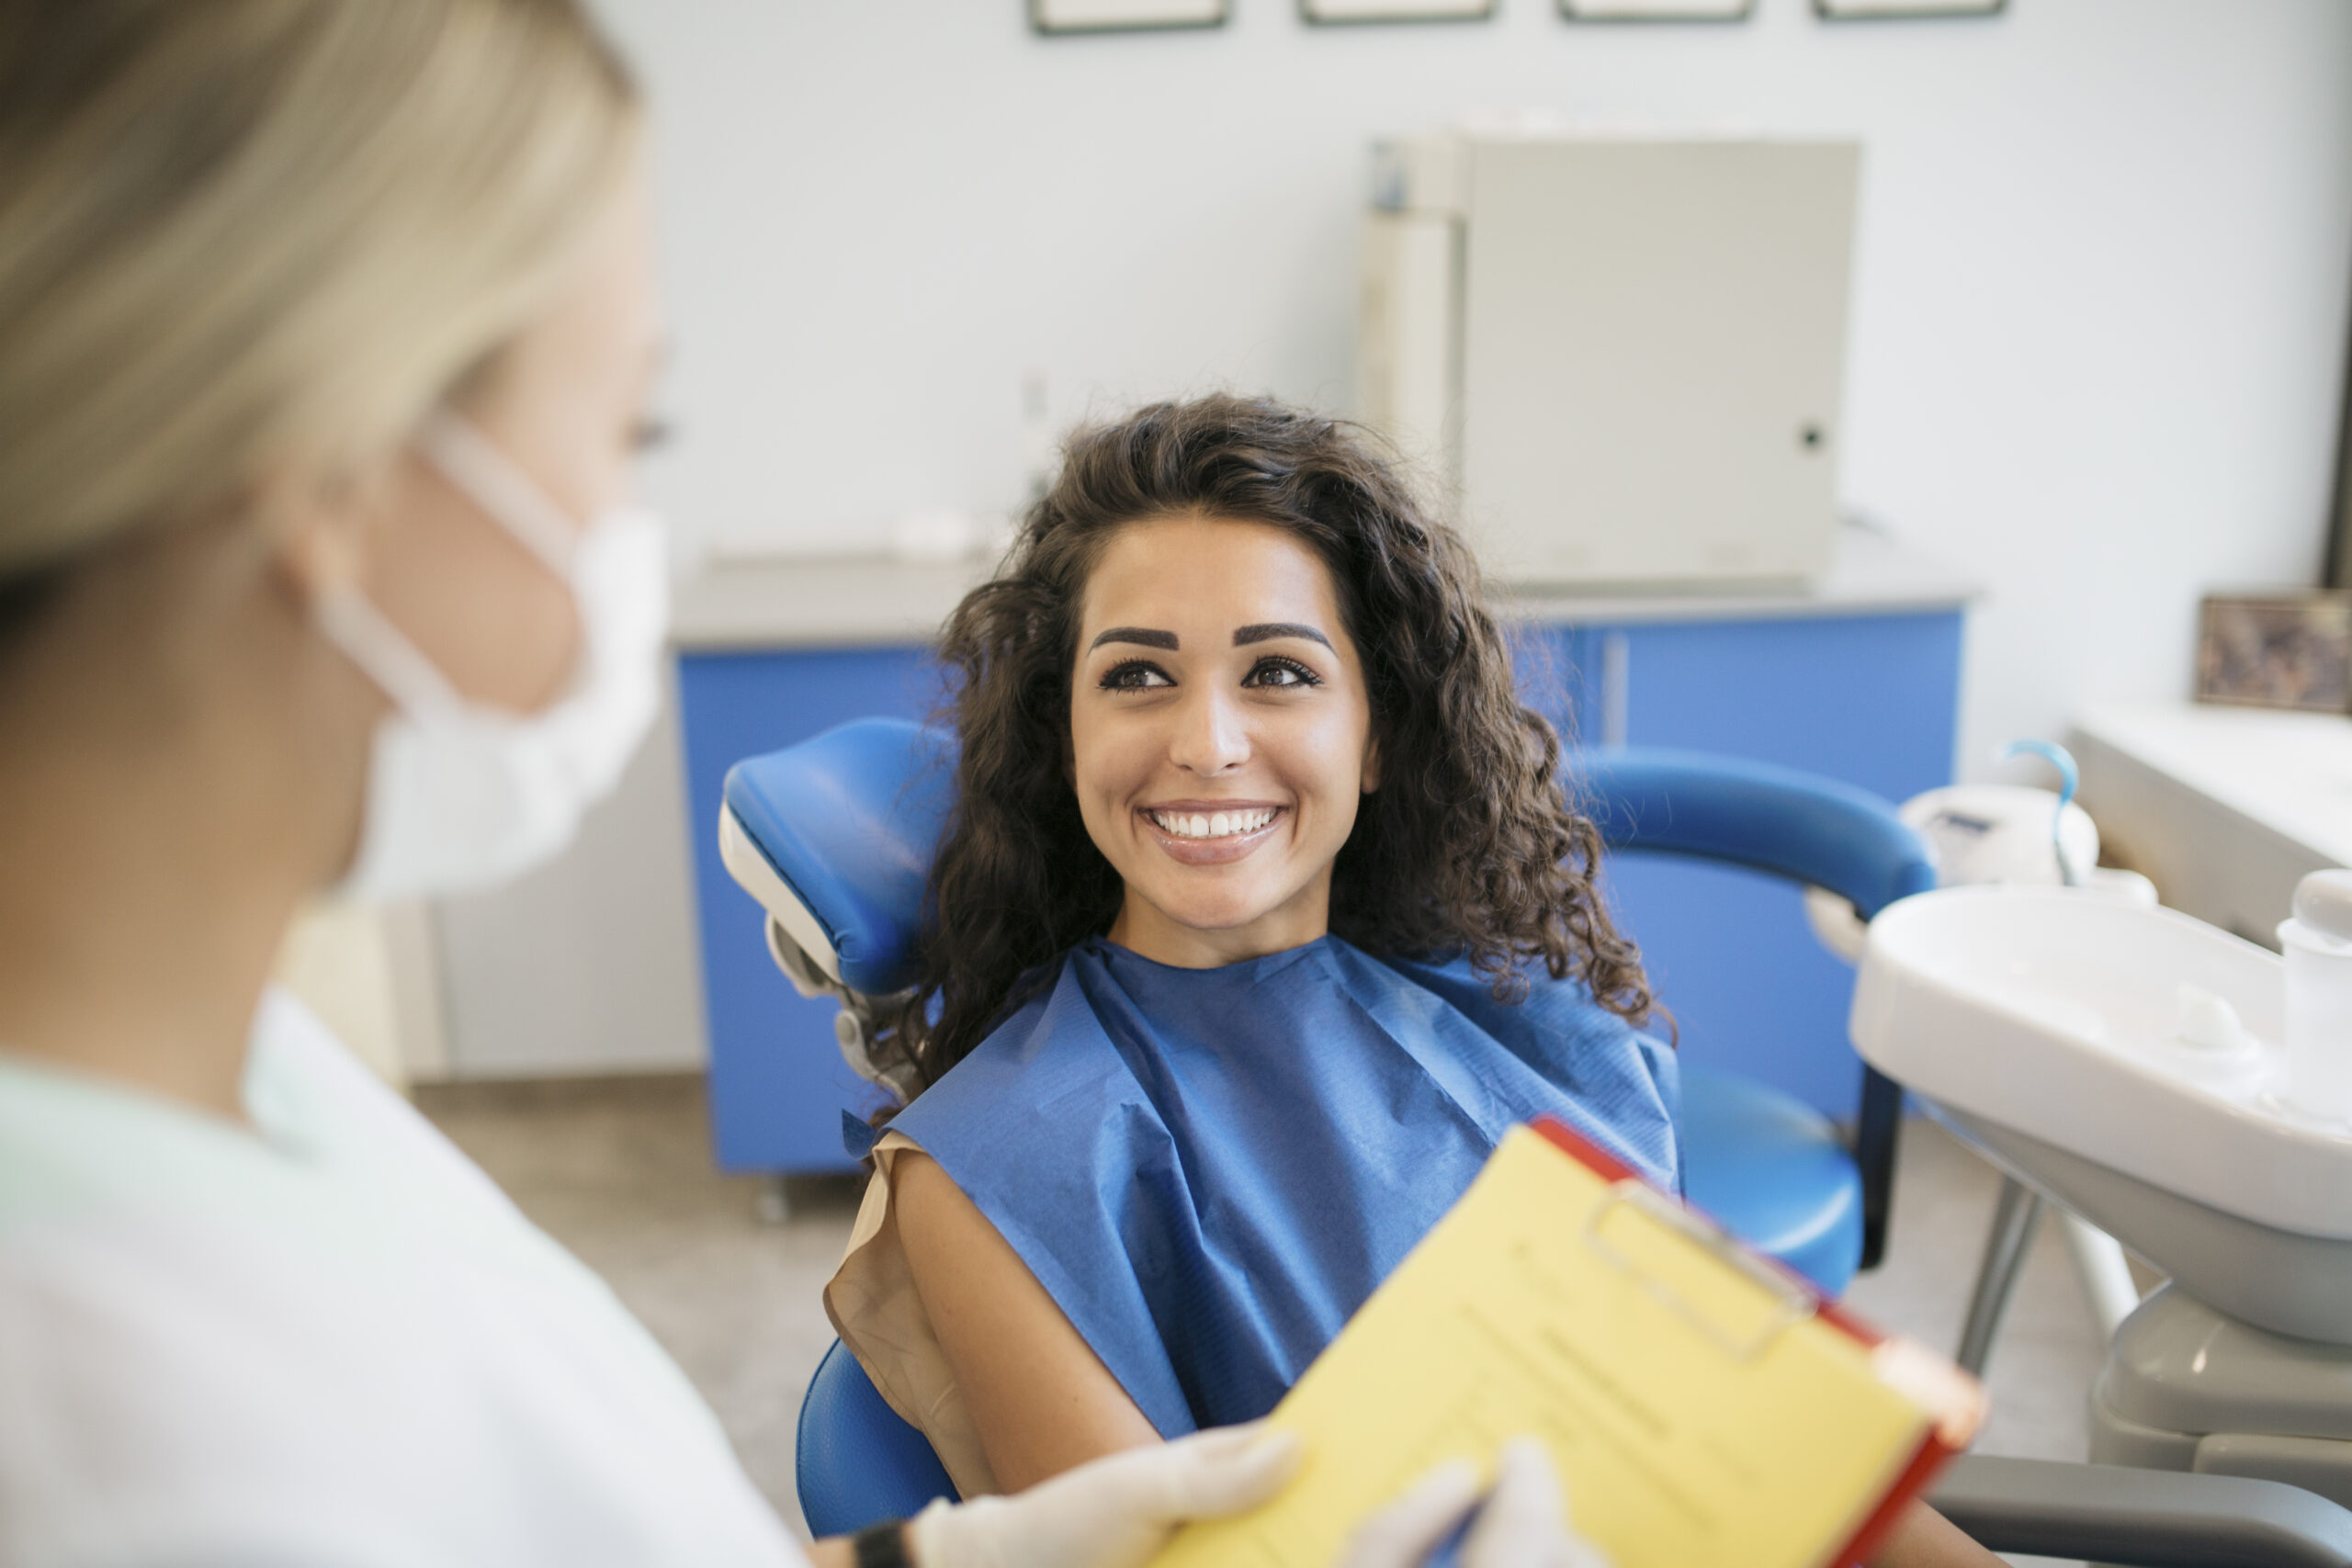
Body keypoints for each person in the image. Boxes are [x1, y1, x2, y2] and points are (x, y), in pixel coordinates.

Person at [0, 5, 1583, 1565]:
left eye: (1283, 671)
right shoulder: (120, 1426)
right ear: (326, 476)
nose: (1214, 738)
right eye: (633, 424)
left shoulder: (229, 1080)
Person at [824, 397, 2003, 1567]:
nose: (1208, 743)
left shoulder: (1527, 1025)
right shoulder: (990, 1170)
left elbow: (1745, 1452)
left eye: (1278, 671)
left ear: (1376, 734)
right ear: (1063, 732)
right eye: (1137, 677)